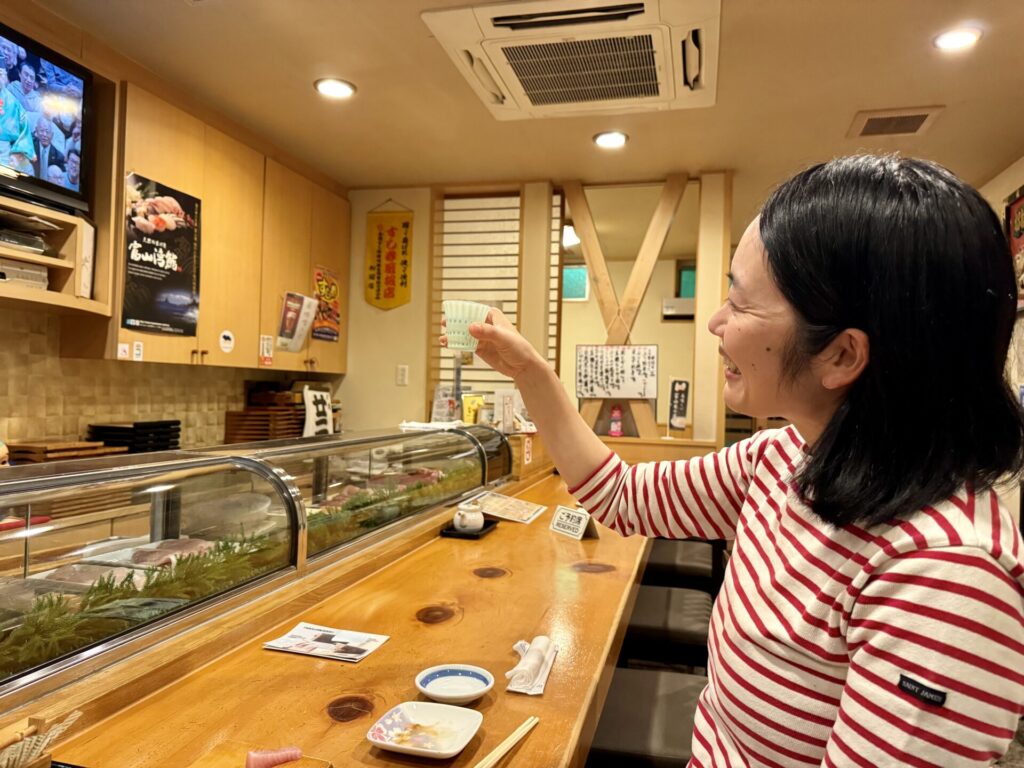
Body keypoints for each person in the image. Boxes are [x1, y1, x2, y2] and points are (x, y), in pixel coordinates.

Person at [446, 154, 1024, 766]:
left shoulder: (946, 577)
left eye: (741, 303)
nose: (716, 323)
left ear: (841, 356)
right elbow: (621, 496)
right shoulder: (784, 458)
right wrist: (531, 374)